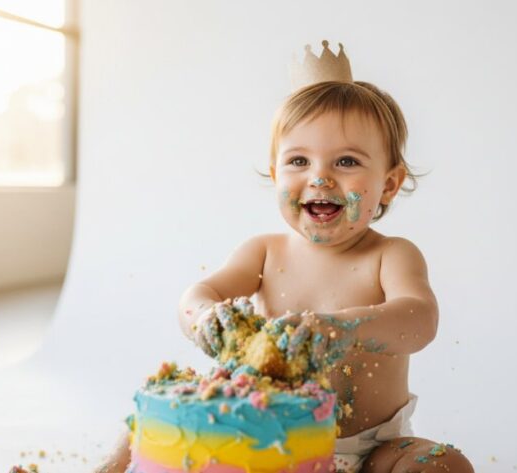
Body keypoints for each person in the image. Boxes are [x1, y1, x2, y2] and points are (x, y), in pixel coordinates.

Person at [96, 80, 474, 473]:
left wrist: (343, 328)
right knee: (152, 413)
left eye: (346, 161)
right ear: (276, 174)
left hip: (368, 450)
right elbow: (199, 295)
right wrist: (206, 316)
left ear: (389, 184)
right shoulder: (263, 251)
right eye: (299, 161)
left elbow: (419, 319)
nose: (320, 178)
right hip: (266, 442)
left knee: (443, 464)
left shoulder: (391, 255)